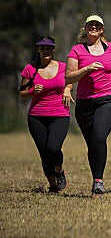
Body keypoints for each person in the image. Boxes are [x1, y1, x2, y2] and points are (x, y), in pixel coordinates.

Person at [65, 15, 111, 197]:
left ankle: (98, 182)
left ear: (102, 29)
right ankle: (96, 178)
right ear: (86, 28)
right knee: (92, 143)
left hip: (108, 100)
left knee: (99, 137)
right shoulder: (77, 50)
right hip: (85, 103)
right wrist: (86, 69)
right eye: (90, 24)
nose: (94, 27)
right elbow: (68, 77)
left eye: (97, 25)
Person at [19, 36, 72, 193]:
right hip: (36, 116)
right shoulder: (31, 69)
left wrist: (68, 89)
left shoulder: (63, 67)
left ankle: (59, 171)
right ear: (38, 50)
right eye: (42, 48)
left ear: (54, 49)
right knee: (44, 152)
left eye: (49, 48)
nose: (46, 50)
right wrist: (31, 91)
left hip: (60, 114)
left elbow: (71, 81)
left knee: (53, 147)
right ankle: (53, 185)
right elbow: (22, 94)